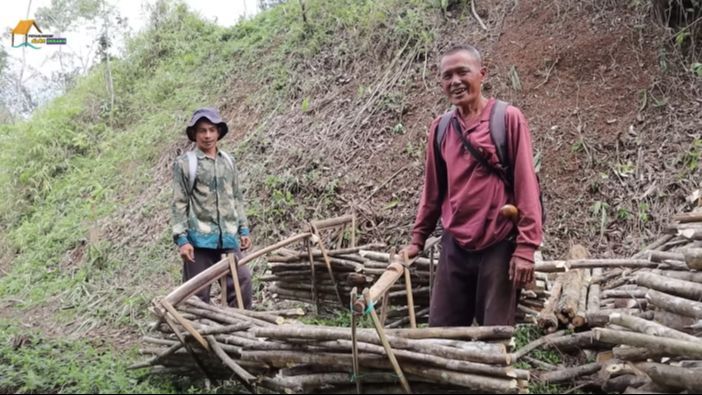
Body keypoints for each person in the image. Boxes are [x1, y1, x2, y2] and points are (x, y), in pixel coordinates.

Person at [400, 45, 543, 326]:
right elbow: (433, 190)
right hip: (455, 244)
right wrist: (418, 238)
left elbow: (527, 186)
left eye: (462, 72)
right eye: (446, 76)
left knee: (494, 336)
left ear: (482, 74)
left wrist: (526, 248)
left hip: (498, 242)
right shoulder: (440, 128)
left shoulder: (507, 119)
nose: (454, 81)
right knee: (441, 332)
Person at [171, 107, 253, 309]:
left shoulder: (228, 162)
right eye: (202, 131)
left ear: (219, 132)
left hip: (227, 238)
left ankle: (238, 333)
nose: (207, 135)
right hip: (198, 240)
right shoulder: (185, 164)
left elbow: (236, 197)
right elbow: (179, 203)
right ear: (194, 134)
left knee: (242, 282)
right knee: (197, 295)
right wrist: (182, 240)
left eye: (211, 130)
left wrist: (243, 229)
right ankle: (197, 337)